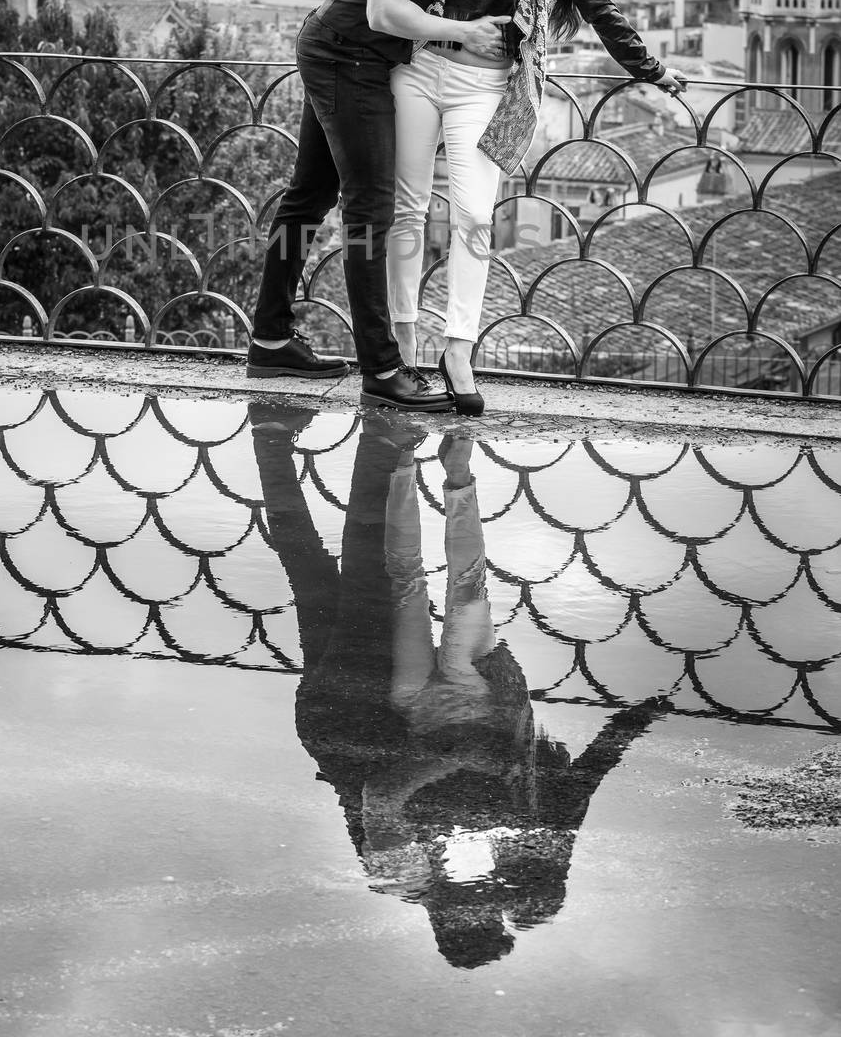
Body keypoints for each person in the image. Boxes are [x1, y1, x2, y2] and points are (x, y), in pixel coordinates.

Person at [247, 404, 668, 968]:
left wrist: (453, 756)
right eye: (485, 913)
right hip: (397, 707)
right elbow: (583, 779)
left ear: (444, 928)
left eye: (466, 920)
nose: (474, 906)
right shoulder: (514, 846)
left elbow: (380, 795)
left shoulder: (406, 878)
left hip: (356, 711)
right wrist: (638, 720)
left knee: (371, 577)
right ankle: (363, 451)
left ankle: (373, 450)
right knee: (370, 576)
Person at [386, 0, 689, 415]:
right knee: (408, 209)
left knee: (472, 216)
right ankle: (401, 343)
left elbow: (603, 12)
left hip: (485, 85)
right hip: (422, 72)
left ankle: (456, 349)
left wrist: (652, 69)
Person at [247, 0, 531, 412]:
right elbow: (383, 11)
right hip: (350, 55)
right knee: (371, 209)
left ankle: (270, 338)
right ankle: (381, 367)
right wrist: (464, 34)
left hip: (349, 52)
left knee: (309, 196)